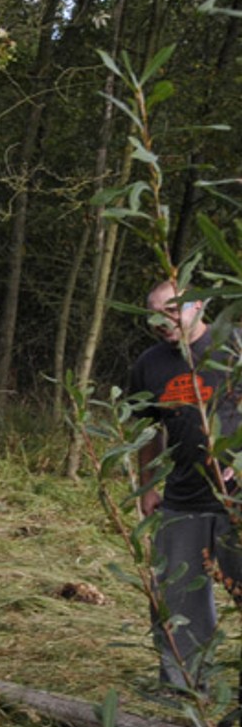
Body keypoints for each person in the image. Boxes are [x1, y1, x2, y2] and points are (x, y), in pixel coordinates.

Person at [128, 278, 242, 693]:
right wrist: (148, 484)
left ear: (200, 307)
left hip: (236, 500)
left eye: (173, 309)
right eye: (155, 314)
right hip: (182, 498)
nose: (163, 321)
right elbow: (146, 427)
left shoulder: (236, 347)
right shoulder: (150, 365)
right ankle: (187, 694)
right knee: (176, 600)